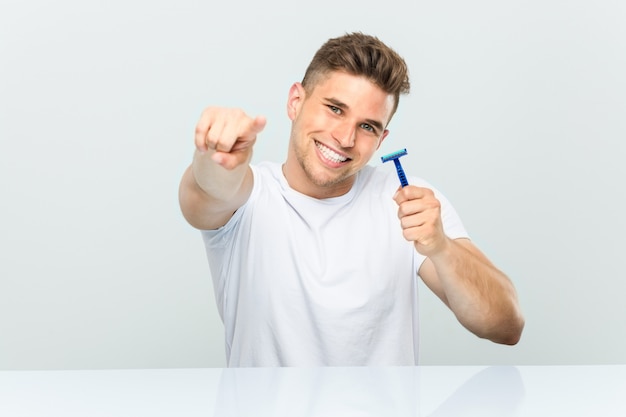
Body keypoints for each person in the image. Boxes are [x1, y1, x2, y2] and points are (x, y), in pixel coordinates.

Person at [179, 32, 524, 367]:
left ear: (382, 138)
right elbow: (209, 189)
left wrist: (441, 248)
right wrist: (217, 157)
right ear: (296, 101)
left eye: (368, 127)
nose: (345, 138)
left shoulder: (408, 203)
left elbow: (506, 325)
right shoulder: (250, 197)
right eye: (335, 109)